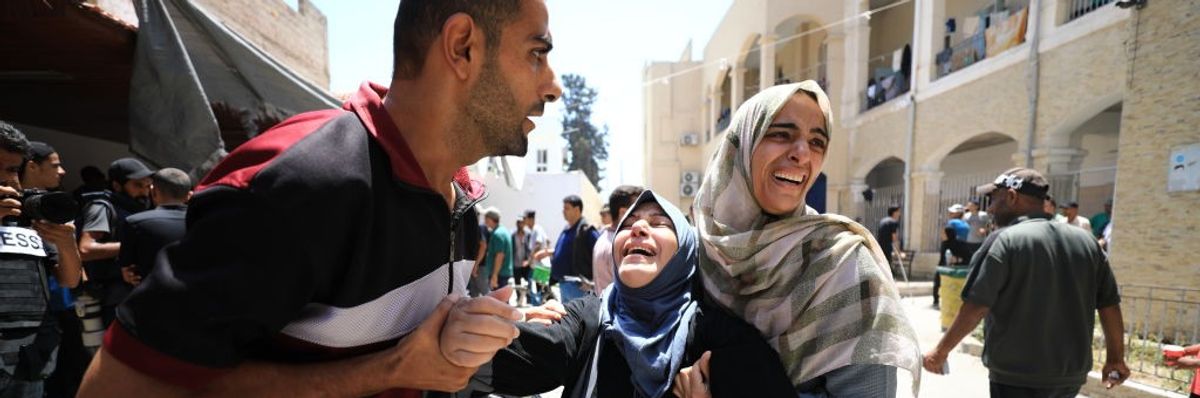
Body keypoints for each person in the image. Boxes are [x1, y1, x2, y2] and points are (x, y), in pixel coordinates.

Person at [77, 0, 562, 395]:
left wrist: (464, 326)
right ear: (463, 47)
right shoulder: (301, 185)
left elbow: (395, 341)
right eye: (537, 54)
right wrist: (393, 370)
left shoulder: (460, 202)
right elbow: (120, 387)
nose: (553, 86)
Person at [692, 81, 920, 396]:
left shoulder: (842, 265)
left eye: (817, 141)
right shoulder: (702, 251)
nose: (802, 153)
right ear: (741, 144)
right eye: (781, 134)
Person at [475, 190, 795, 397]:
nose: (639, 229)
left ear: (685, 251)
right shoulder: (590, 319)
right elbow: (517, 360)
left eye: (659, 223)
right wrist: (477, 331)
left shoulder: (719, 340)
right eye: (628, 225)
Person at [923, 168, 1129, 396]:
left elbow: (976, 306)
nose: (990, 208)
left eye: (994, 199)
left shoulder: (1004, 240)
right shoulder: (1087, 242)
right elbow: (1109, 305)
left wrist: (940, 352)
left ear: (1012, 196)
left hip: (1017, 376)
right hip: (1069, 376)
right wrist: (1115, 359)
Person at [0, 122, 82, 397]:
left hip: (29, 359)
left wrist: (67, 243)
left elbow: (69, 280)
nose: (8, 179)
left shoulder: (27, 216)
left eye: (12, 169)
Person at [20, 142, 87, 398]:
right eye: (56, 165)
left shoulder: (54, 209)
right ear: (33, 166)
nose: (62, 172)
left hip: (55, 314)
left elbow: (71, 277)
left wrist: (68, 243)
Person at [76, 157, 153, 326]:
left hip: (137, 293)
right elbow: (86, 250)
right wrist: (135, 245)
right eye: (137, 185)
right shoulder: (102, 207)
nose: (145, 192)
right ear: (117, 186)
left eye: (147, 185)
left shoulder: (136, 208)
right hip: (114, 297)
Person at [115, 168, 191, 287]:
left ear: (153, 192)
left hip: (154, 296)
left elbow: (128, 271)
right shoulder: (206, 220)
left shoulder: (135, 223)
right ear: (189, 195)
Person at [537, 195, 599, 303]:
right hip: (564, 284)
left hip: (578, 287)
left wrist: (591, 281)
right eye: (563, 208)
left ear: (577, 209)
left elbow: (599, 254)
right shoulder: (567, 229)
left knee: (581, 319)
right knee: (569, 319)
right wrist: (549, 253)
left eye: (567, 208)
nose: (563, 211)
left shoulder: (586, 230)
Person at [592, 185, 643, 293]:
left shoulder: (605, 238)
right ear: (623, 213)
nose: (643, 216)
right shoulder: (621, 244)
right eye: (638, 210)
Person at [481, 208, 513, 292]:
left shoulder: (498, 234)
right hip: (502, 273)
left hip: (499, 274)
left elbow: (500, 255)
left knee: (499, 300)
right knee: (502, 300)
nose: (484, 221)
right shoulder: (503, 231)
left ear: (489, 219)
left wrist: (494, 276)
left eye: (485, 218)